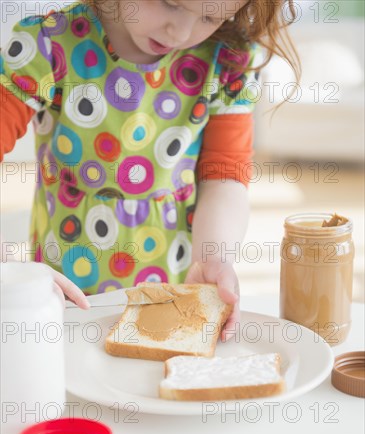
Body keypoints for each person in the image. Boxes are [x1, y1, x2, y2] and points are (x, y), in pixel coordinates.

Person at [0, 0, 298, 340]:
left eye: (210, 17)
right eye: (170, 4)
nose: (181, 32)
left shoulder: (226, 59)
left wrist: (214, 256)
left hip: (174, 275)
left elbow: (224, 176)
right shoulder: (47, 44)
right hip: (65, 283)